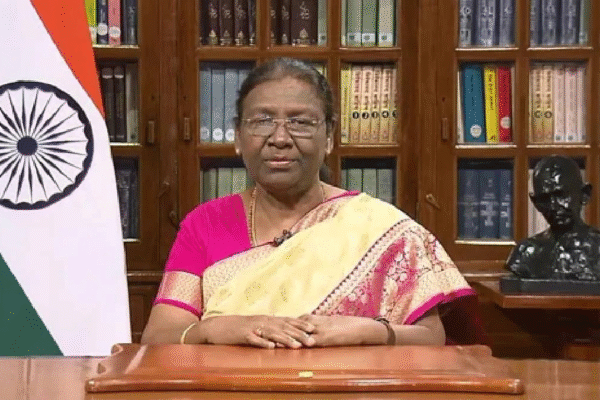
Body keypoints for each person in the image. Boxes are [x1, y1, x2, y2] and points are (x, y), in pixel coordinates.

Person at [142, 58, 487, 348]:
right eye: (262, 121)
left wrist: (369, 332)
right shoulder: (205, 224)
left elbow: (431, 338)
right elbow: (159, 337)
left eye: (300, 122)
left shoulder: (380, 228)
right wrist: (217, 329)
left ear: (329, 138)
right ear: (237, 137)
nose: (280, 138)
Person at [506, 155, 600, 281]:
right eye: (544, 199)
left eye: (561, 195)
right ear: (536, 203)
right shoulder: (526, 253)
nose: (553, 206)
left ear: (584, 194)